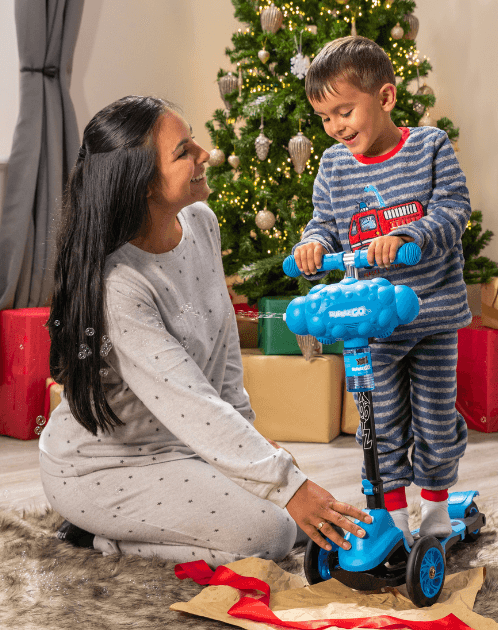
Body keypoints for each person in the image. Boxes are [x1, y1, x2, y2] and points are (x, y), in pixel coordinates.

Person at [41, 95, 370, 566]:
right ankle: (98, 536)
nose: (205, 154)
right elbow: (190, 402)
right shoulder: (120, 285)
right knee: (273, 533)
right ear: (143, 184)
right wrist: (281, 485)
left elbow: (223, 355)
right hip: (104, 468)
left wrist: (255, 450)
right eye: (183, 151)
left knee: (300, 520)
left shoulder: (201, 223)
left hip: (184, 446)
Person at [291, 36, 473, 543]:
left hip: (432, 316)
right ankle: (392, 518)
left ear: (386, 98)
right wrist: (312, 245)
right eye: (325, 118)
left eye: (344, 111)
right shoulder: (332, 165)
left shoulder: (429, 146)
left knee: (436, 421)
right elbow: (324, 224)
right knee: (381, 425)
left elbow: (453, 210)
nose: (335, 127)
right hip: (372, 326)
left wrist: (407, 236)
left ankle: (436, 510)